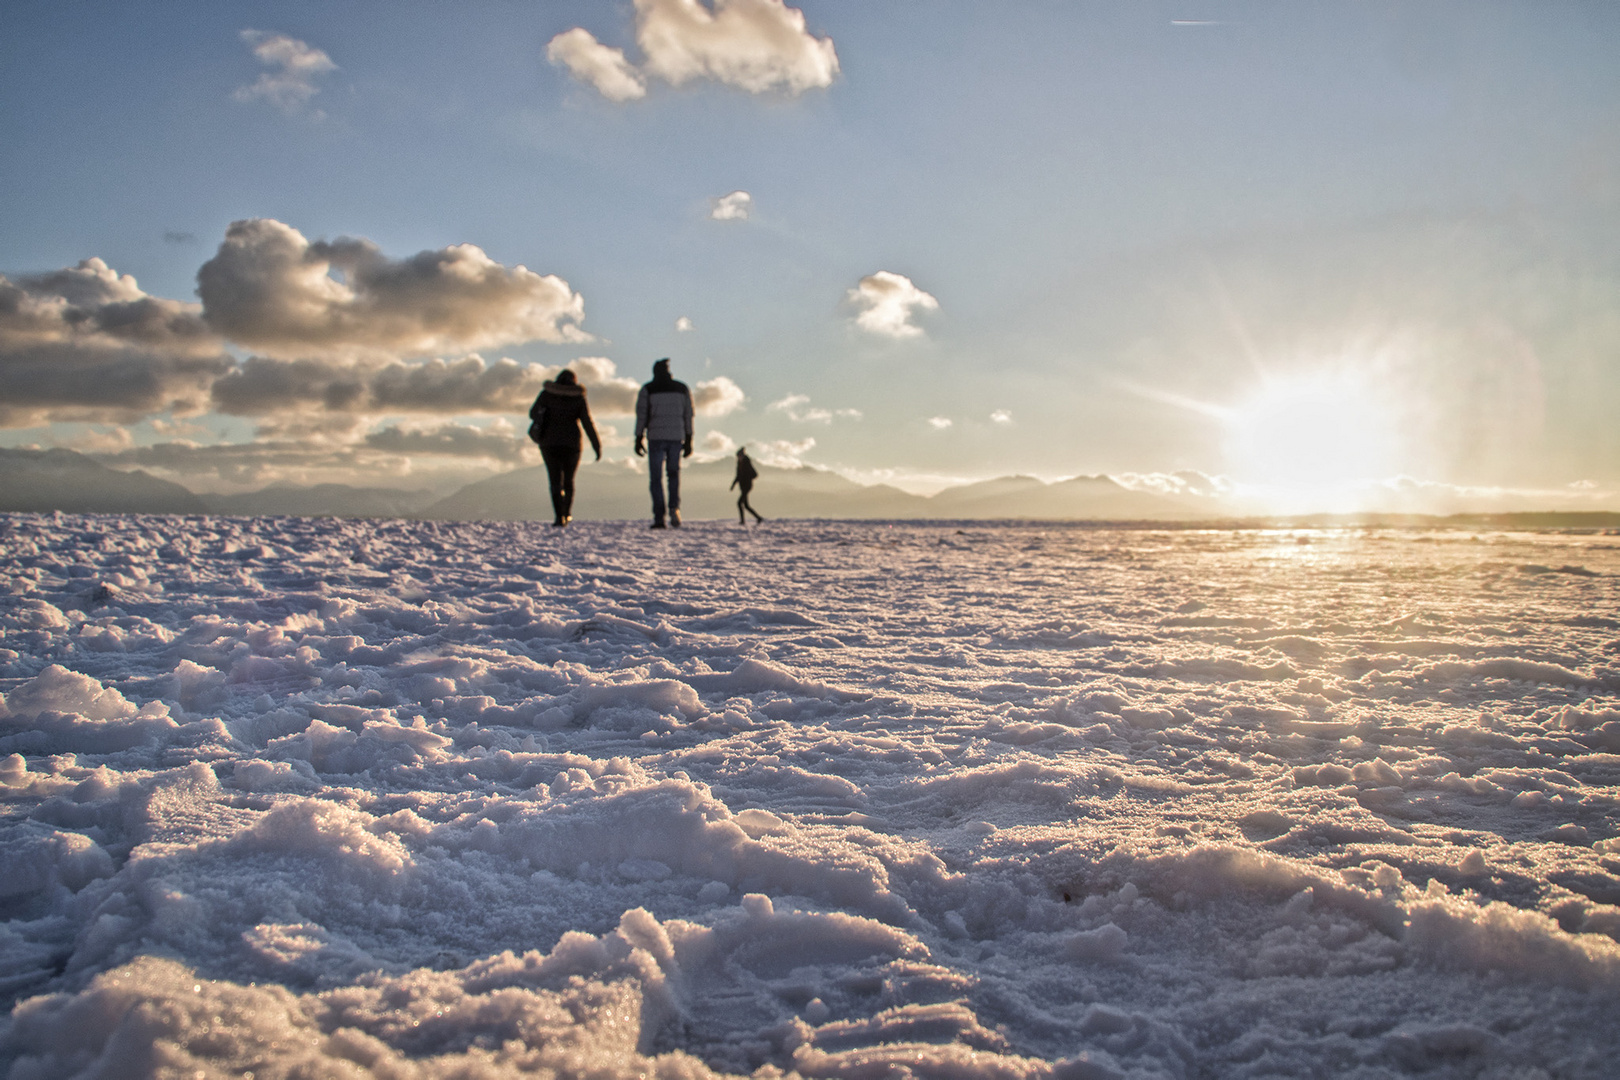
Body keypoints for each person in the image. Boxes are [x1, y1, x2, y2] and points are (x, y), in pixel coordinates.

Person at [528, 368, 601, 527]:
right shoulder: (578, 397)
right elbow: (587, 423)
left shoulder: (547, 394)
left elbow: (533, 414)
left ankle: (558, 516)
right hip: (572, 444)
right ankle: (567, 513)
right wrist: (597, 446)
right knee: (569, 481)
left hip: (549, 443)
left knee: (554, 480)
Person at [633, 358, 693, 529]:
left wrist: (638, 437)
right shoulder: (682, 389)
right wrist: (689, 439)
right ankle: (675, 508)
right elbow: (688, 415)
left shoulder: (648, 389)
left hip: (656, 437)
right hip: (676, 437)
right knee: (673, 475)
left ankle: (659, 516)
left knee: (656, 478)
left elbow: (642, 415)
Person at [730, 446, 764, 525]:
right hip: (742, 487)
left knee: (739, 503)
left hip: (747, 486)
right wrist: (733, 485)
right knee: (746, 505)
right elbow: (738, 476)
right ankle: (758, 518)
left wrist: (747, 478)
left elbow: (755, 474)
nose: (738, 458)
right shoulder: (739, 464)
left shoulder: (746, 463)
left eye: (739, 456)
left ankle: (743, 521)